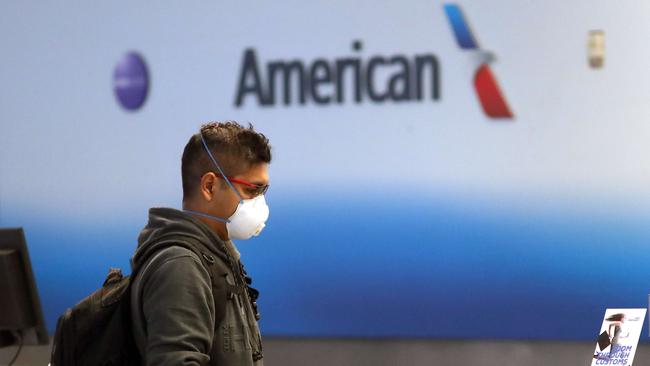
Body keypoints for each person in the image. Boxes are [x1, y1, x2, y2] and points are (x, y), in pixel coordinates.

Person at [129, 121, 272, 366]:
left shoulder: (217, 257)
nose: (260, 203)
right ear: (209, 186)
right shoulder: (181, 268)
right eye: (253, 190)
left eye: (264, 191)